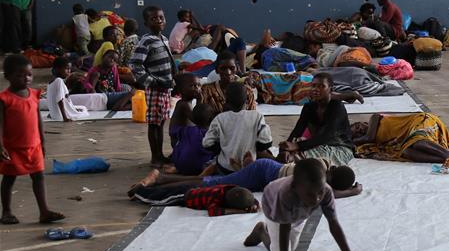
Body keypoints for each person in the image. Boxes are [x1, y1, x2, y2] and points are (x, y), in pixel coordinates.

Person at [243, 158, 378, 251]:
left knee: (292, 247)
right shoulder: (285, 194)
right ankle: (261, 230)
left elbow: (334, 225)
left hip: (298, 211)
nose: (317, 199)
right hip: (273, 206)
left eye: (320, 192)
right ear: (295, 187)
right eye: (310, 194)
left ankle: (272, 232)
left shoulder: (325, 192)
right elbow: (285, 226)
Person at [0, 54, 65, 224]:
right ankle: (6, 211)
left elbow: (38, 120)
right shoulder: (5, 99)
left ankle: (44, 211)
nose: (25, 78)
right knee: (9, 178)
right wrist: (0, 146)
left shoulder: (33, 94)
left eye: (28, 74)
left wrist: (42, 141)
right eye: (19, 75)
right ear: (7, 76)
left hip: (33, 146)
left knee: (38, 177)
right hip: (13, 147)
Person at [131, 157, 362, 198]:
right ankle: (160, 179)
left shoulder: (324, 164)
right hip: (262, 172)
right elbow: (326, 195)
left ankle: (161, 179)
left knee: (217, 182)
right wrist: (352, 191)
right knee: (213, 184)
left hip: (266, 169)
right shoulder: (319, 178)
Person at [130, 6, 177, 167]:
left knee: (161, 121)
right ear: (146, 23)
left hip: (165, 88)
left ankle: (160, 155)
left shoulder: (163, 39)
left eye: (161, 17)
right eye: (154, 18)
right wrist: (151, 81)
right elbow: (135, 64)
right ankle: (154, 157)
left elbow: (169, 62)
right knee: (154, 123)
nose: (158, 20)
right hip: (156, 88)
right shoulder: (146, 40)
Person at [280, 73, 355, 166]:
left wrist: (297, 146)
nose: (316, 89)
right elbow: (297, 130)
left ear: (330, 90)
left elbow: (326, 136)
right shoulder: (309, 107)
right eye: (314, 86)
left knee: (302, 159)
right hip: (317, 144)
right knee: (287, 154)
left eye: (321, 86)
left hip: (340, 147)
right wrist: (287, 146)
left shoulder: (337, 107)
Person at [351, 112, 449, 167]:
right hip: (409, 138)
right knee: (407, 152)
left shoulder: (375, 118)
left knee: (418, 142)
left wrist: (351, 140)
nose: (359, 131)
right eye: (356, 134)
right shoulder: (375, 143)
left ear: (363, 122)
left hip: (420, 121)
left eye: (357, 127)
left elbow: (368, 137)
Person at [202, 83, 273, 174]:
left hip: (225, 168)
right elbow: (266, 142)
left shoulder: (220, 118)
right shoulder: (257, 116)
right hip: (249, 168)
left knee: (211, 165)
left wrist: (224, 146)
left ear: (226, 101)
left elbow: (207, 143)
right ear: (247, 100)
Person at [169, 74, 215, 175]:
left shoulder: (188, 103)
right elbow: (197, 119)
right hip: (178, 139)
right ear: (181, 89)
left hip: (187, 136)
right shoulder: (183, 104)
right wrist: (200, 101)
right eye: (192, 86)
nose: (197, 88)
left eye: (198, 85)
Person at [130, 182, 259, 216]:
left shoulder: (231, 188)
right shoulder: (216, 198)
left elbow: (246, 195)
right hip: (185, 196)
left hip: (193, 188)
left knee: (164, 192)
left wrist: (255, 204)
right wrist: (239, 211)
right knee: (159, 199)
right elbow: (213, 212)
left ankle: (142, 189)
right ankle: (139, 192)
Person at [199, 50, 257, 114]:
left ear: (237, 69)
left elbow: (252, 116)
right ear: (217, 70)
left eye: (232, 68)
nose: (228, 72)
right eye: (223, 68)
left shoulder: (247, 91)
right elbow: (202, 117)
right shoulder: (207, 90)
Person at [47, 56, 91, 121]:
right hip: (60, 116)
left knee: (82, 107)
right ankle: (69, 113)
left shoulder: (50, 83)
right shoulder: (59, 81)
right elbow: (60, 100)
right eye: (66, 69)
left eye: (69, 69)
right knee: (85, 111)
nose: (69, 71)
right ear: (58, 69)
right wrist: (65, 118)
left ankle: (68, 111)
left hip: (55, 114)